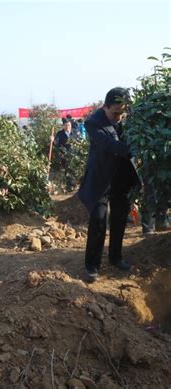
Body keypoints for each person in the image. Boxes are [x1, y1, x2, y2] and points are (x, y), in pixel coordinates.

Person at [78, 87, 140, 283]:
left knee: (119, 219)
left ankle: (116, 258)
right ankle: (92, 266)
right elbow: (109, 145)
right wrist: (136, 148)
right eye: (115, 113)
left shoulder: (128, 118)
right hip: (101, 179)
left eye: (122, 113)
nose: (119, 117)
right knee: (98, 220)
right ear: (105, 107)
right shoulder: (93, 122)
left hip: (121, 177)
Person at [54, 119, 75, 191]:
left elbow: (79, 141)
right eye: (65, 125)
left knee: (73, 169)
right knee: (67, 169)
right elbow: (56, 143)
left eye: (69, 125)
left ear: (71, 125)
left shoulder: (74, 132)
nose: (67, 127)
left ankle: (73, 183)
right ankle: (69, 185)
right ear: (63, 126)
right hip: (64, 155)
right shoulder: (59, 133)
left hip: (74, 154)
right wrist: (53, 140)